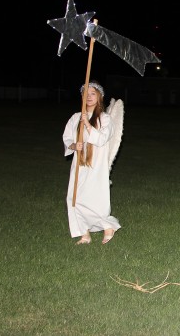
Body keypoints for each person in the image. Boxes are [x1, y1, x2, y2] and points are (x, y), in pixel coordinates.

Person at [62, 80, 121, 245]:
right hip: (79, 164)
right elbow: (67, 138)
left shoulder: (105, 118)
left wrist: (88, 124)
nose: (88, 97)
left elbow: (101, 139)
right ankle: (84, 233)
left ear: (99, 97)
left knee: (95, 197)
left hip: (96, 166)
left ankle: (108, 227)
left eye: (92, 93)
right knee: (74, 197)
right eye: (85, 94)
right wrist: (74, 145)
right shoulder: (75, 118)